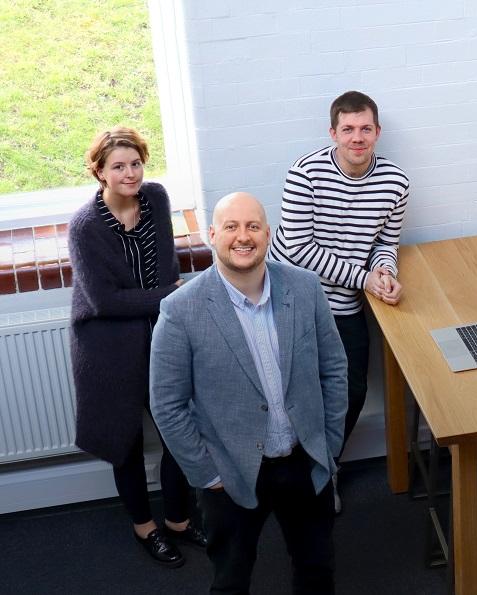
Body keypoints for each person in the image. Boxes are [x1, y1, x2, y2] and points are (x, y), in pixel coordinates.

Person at [150, 192, 348, 593]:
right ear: (212, 235)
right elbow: (167, 406)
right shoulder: (180, 310)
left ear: (268, 233)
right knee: (231, 580)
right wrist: (208, 474)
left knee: (316, 571)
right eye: (231, 227)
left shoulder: (306, 288)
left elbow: (335, 369)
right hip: (231, 474)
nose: (244, 236)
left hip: (304, 462)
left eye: (253, 226)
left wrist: (327, 443)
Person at [68, 127, 205, 568]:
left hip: (160, 335)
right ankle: (145, 528)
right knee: (124, 441)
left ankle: (180, 521)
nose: (130, 173)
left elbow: (167, 263)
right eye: (118, 166)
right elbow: (104, 301)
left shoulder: (157, 198)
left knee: (178, 431)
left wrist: (168, 300)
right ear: (100, 172)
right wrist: (170, 294)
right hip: (107, 345)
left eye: (136, 163)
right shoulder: (85, 226)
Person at [269, 90, 408, 512]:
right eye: (348, 129)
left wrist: (385, 273)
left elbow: (387, 242)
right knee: (293, 394)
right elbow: (297, 251)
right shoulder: (305, 173)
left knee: (351, 391)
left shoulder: (396, 183)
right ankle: (292, 474)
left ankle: (323, 469)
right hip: (290, 297)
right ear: (333, 132)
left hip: (346, 301)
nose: (357, 137)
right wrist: (366, 279)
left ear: (378, 132)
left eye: (365, 128)